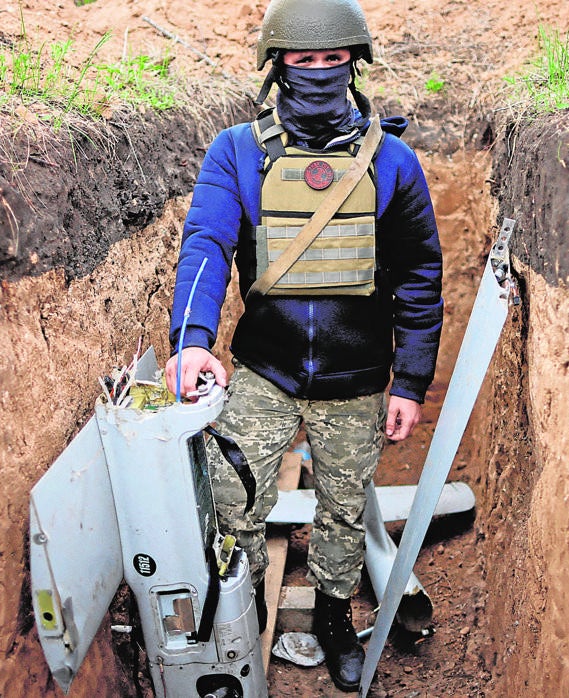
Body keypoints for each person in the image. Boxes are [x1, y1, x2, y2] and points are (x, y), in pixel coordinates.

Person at [164, 0, 442, 690]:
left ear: (354, 62)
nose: (318, 71)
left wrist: (409, 382)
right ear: (276, 64)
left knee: (346, 511)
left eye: (331, 58)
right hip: (265, 369)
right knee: (234, 500)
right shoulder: (236, 151)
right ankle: (244, 611)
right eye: (302, 58)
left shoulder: (395, 162)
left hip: (358, 378)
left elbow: (418, 275)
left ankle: (331, 620)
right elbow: (206, 243)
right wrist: (193, 340)